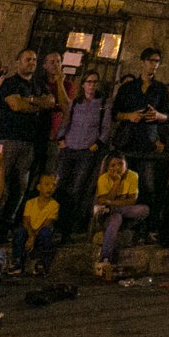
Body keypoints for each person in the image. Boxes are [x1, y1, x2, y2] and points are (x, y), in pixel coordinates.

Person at [110, 48, 169, 237]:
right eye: (151, 60)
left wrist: (157, 115)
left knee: (147, 184)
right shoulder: (128, 88)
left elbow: (167, 116)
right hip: (128, 141)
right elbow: (115, 113)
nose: (154, 64)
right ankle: (119, 223)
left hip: (148, 142)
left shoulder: (160, 89)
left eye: (157, 61)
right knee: (123, 183)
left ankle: (144, 227)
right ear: (142, 62)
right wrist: (130, 116)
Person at [0, 49, 56, 227]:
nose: (32, 62)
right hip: (7, 138)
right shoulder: (9, 83)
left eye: (35, 59)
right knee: (1, 181)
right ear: (18, 61)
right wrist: (38, 104)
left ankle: (7, 222)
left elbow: (51, 102)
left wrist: (31, 100)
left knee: (20, 185)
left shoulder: (38, 85)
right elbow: (16, 105)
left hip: (29, 142)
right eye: (28, 59)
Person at [53, 70, 108, 238]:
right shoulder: (76, 102)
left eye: (94, 82)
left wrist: (96, 144)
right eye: (89, 82)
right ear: (83, 84)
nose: (91, 85)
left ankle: (69, 227)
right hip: (70, 147)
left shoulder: (103, 103)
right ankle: (56, 222)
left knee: (78, 188)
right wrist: (61, 138)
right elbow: (67, 121)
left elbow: (105, 127)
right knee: (61, 185)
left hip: (86, 149)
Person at [92, 152, 149, 279]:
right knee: (116, 217)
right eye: (113, 165)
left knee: (144, 210)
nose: (116, 168)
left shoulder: (133, 176)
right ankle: (105, 258)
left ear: (126, 165)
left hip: (123, 212)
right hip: (107, 218)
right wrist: (116, 183)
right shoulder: (104, 178)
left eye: (120, 164)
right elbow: (102, 200)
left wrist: (111, 205)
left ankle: (114, 211)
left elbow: (132, 200)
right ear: (108, 167)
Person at [11, 172, 62, 277]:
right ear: (39, 187)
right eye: (47, 184)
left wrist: (33, 237)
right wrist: (30, 235)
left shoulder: (54, 205)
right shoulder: (30, 202)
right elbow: (26, 221)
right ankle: (17, 261)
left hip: (40, 231)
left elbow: (47, 223)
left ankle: (41, 262)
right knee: (19, 232)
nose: (50, 188)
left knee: (45, 233)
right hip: (30, 230)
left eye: (53, 185)